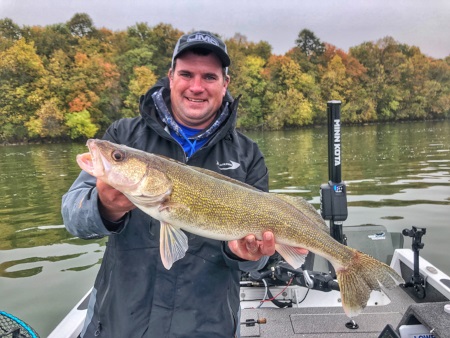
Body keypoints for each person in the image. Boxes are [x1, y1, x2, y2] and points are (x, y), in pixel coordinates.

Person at [62, 30, 305, 338]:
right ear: (171, 77)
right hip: (119, 324)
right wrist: (104, 207)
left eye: (209, 77)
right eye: (186, 74)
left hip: (207, 327)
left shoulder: (247, 155)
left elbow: (259, 264)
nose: (196, 87)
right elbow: (73, 217)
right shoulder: (123, 136)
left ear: (225, 84)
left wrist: (244, 255)